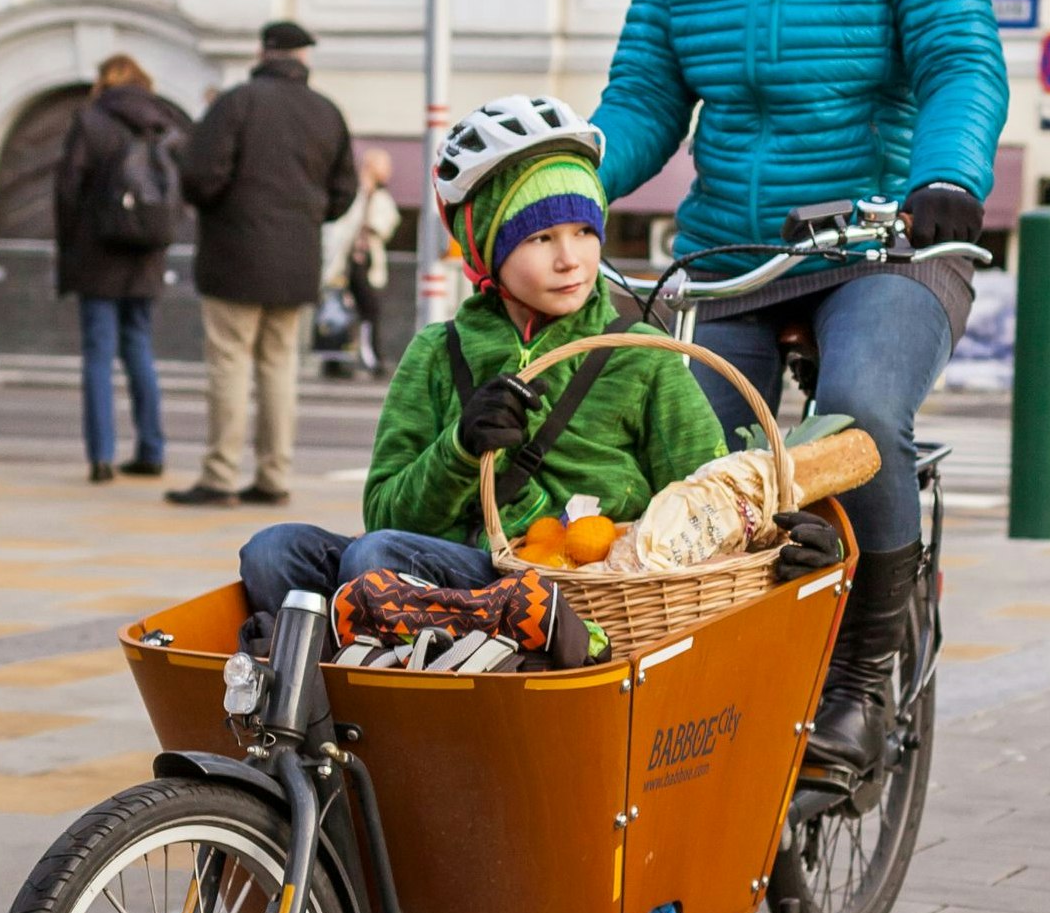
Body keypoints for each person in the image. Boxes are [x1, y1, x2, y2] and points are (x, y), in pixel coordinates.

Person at [590, 0, 1008, 779]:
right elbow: (645, 96)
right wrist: (569, 178)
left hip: (884, 245)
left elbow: (962, 60)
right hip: (729, 250)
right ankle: (706, 680)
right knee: (672, 453)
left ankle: (866, 672)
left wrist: (946, 181)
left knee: (859, 412)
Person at [240, 95, 843, 613]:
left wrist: (782, 545)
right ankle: (335, 678)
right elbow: (387, 514)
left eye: (585, 231)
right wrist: (459, 449)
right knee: (274, 551)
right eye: (539, 237)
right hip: (454, 565)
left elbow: (711, 499)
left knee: (375, 560)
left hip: (574, 590)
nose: (570, 259)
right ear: (487, 249)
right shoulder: (436, 352)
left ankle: (379, 651)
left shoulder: (641, 355)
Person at [169, 20, 357, 508]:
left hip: (234, 257)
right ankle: (274, 476)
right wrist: (304, 216)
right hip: (296, 262)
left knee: (229, 363)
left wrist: (223, 208)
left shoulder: (236, 103)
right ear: (304, 57)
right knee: (279, 367)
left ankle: (220, 475)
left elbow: (199, 175)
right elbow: (344, 192)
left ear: (263, 52)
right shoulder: (326, 112)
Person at [54, 54, 190, 484]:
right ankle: (151, 449)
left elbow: (67, 189)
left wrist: (71, 246)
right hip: (146, 256)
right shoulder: (163, 122)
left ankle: (101, 456)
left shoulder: (92, 121)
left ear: (104, 82)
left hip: (98, 255)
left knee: (98, 355)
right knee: (140, 349)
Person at [319, 144, 401, 378]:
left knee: (363, 309)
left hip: (362, 262)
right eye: (385, 166)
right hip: (348, 261)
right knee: (342, 307)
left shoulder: (378, 195)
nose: (389, 171)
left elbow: (386, 223)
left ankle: (362, 358)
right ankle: (339, 360)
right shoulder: (355, 192)